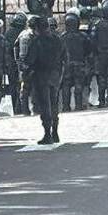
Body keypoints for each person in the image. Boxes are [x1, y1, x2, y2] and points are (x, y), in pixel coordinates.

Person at [25, 16, 65, 144]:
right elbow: (65, 56)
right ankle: (55, 133)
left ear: (37, 28)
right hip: (55, 75)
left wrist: (27, 71)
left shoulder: (37, 41)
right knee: (54, 104)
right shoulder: (57, 40)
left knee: (45, 106)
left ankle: (48, 134)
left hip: (41, 76)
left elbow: (30, 60)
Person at [61, 9, 92, 111]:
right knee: (79, 84)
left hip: (66, 65)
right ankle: (78, 105)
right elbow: (88, 50)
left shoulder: (62, 37)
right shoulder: (83, 37)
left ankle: (66, 106)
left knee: (66, 85)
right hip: (80, 64)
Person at [14, 15, 39, 116]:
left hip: (24, 66)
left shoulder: (22, 34)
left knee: (25, 89)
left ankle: (25, 110)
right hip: (33, 65)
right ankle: (35, 109)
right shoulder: (35, 35)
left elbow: (15, 48)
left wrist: (18, 62)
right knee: (35, 88)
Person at [4, 12, 27, 114]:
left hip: (11, 64)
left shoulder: (8, 33)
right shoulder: (24, 33)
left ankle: (17, 109)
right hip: (22, 63)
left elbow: (5, 49)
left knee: (14, 87)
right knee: (23, 85)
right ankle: (23, 108)